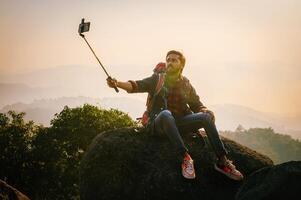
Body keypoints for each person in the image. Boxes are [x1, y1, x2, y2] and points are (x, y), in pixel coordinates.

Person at [107, 50, 243, 180]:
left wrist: (205, 110)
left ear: (181, 64)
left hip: (178, 123)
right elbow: (136, 85)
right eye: (168, 60)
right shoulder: (157, 79)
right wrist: (117, 83)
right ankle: (185, 157)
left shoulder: (185, 83)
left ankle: (222, 161)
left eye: (174, 60)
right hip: (159, 123)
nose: (170, 63)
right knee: (166, 114)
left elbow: (196, 104)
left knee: (206, 117)